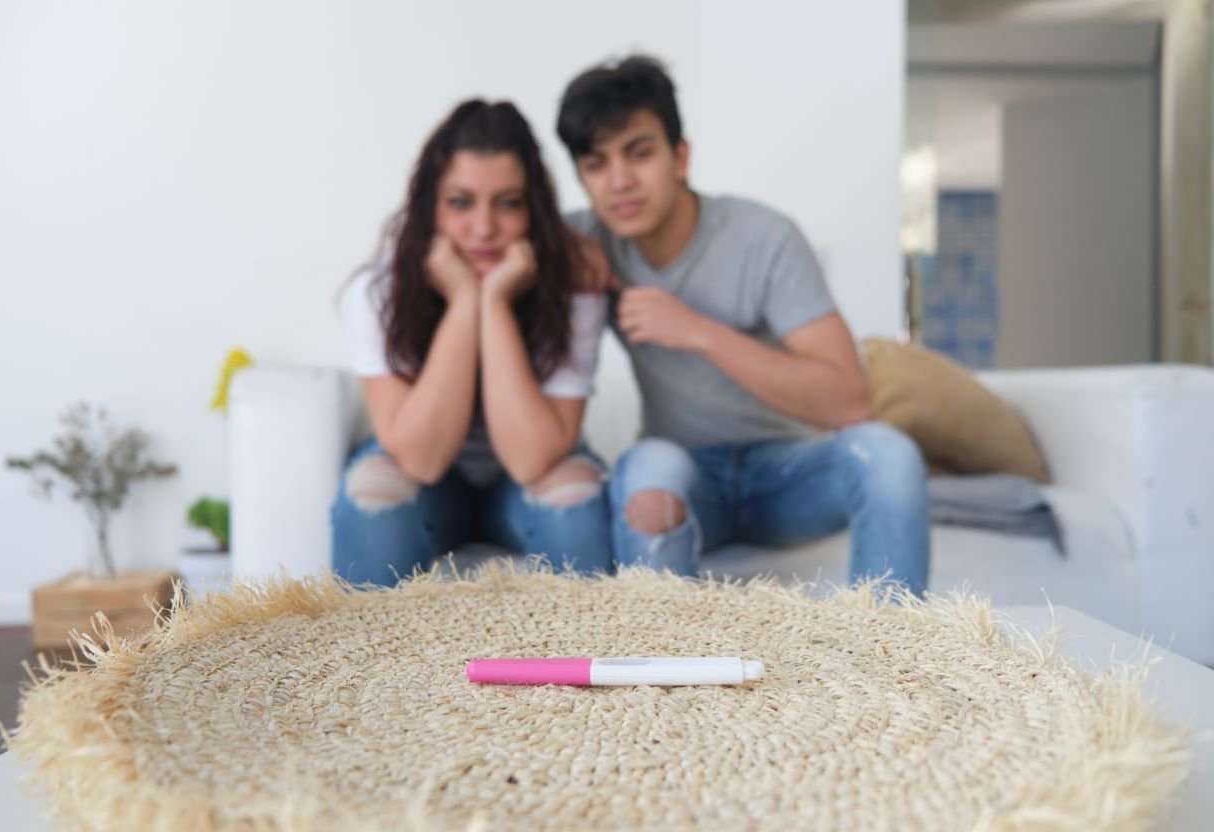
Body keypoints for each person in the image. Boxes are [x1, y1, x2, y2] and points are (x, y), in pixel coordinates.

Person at [557, 56, 931, 596]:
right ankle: (661, 649)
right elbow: (486, 233)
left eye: (639, 154)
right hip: (685, 476)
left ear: (680, 157)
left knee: (890, 454)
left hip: (788, 475)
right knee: (648, 470)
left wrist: (696, 331)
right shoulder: (585, 240)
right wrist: (553, 253)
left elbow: (850, 403)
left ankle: (892, 642)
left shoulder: (763, 237)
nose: (620, 182)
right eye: (596, 165)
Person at [333, 99, 612, 586]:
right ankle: (363, 640)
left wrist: (495, 302)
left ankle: (589, 635)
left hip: (522, 480)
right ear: (430, 207)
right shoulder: (378, 290)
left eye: (508, 203)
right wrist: (464, 301)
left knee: (575, 502)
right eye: (460, 202)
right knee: (372, 500)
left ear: (534, 209)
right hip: (430, 482)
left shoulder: (574, 283)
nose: (484, 229)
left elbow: (531, 459)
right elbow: (419, 459)